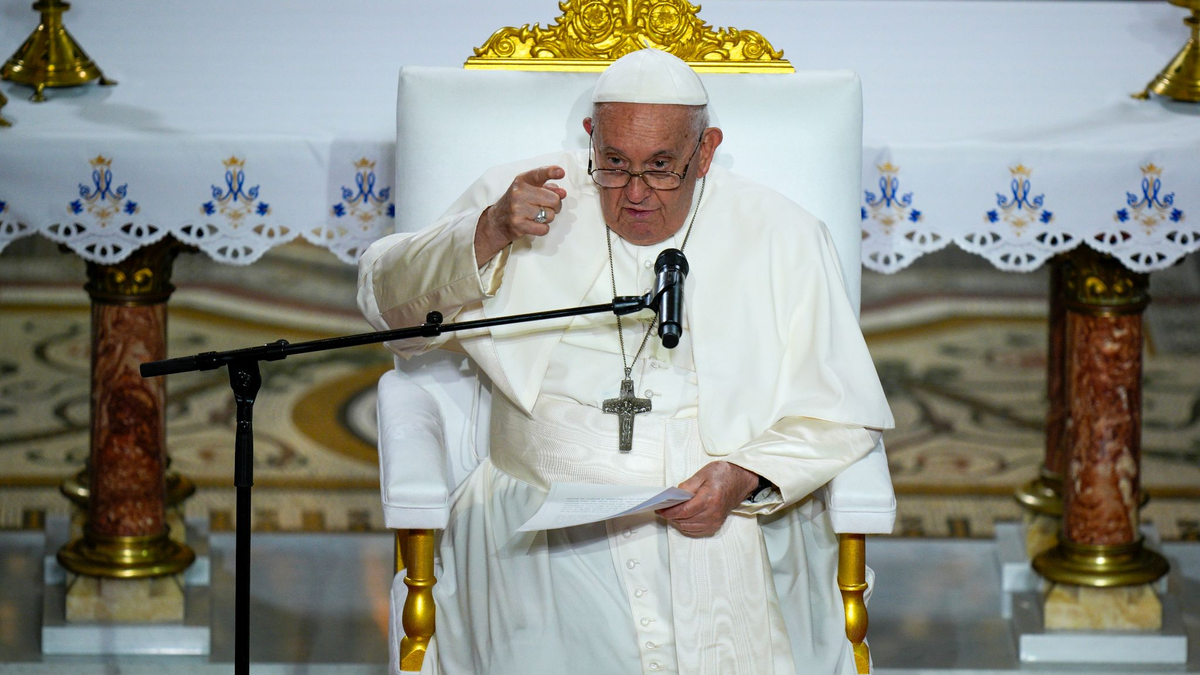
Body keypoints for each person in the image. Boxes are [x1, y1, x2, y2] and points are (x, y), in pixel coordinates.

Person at [358, 48, 893, 675]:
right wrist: (488, 232)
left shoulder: (784, 234)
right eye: (614, 164)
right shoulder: (525, 198)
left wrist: (745, 477)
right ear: (590, 139)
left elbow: (842, 408)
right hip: (539, 517)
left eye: (662, 167)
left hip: (719, 515)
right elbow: (384, 303)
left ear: (707, 151)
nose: (635, 193)